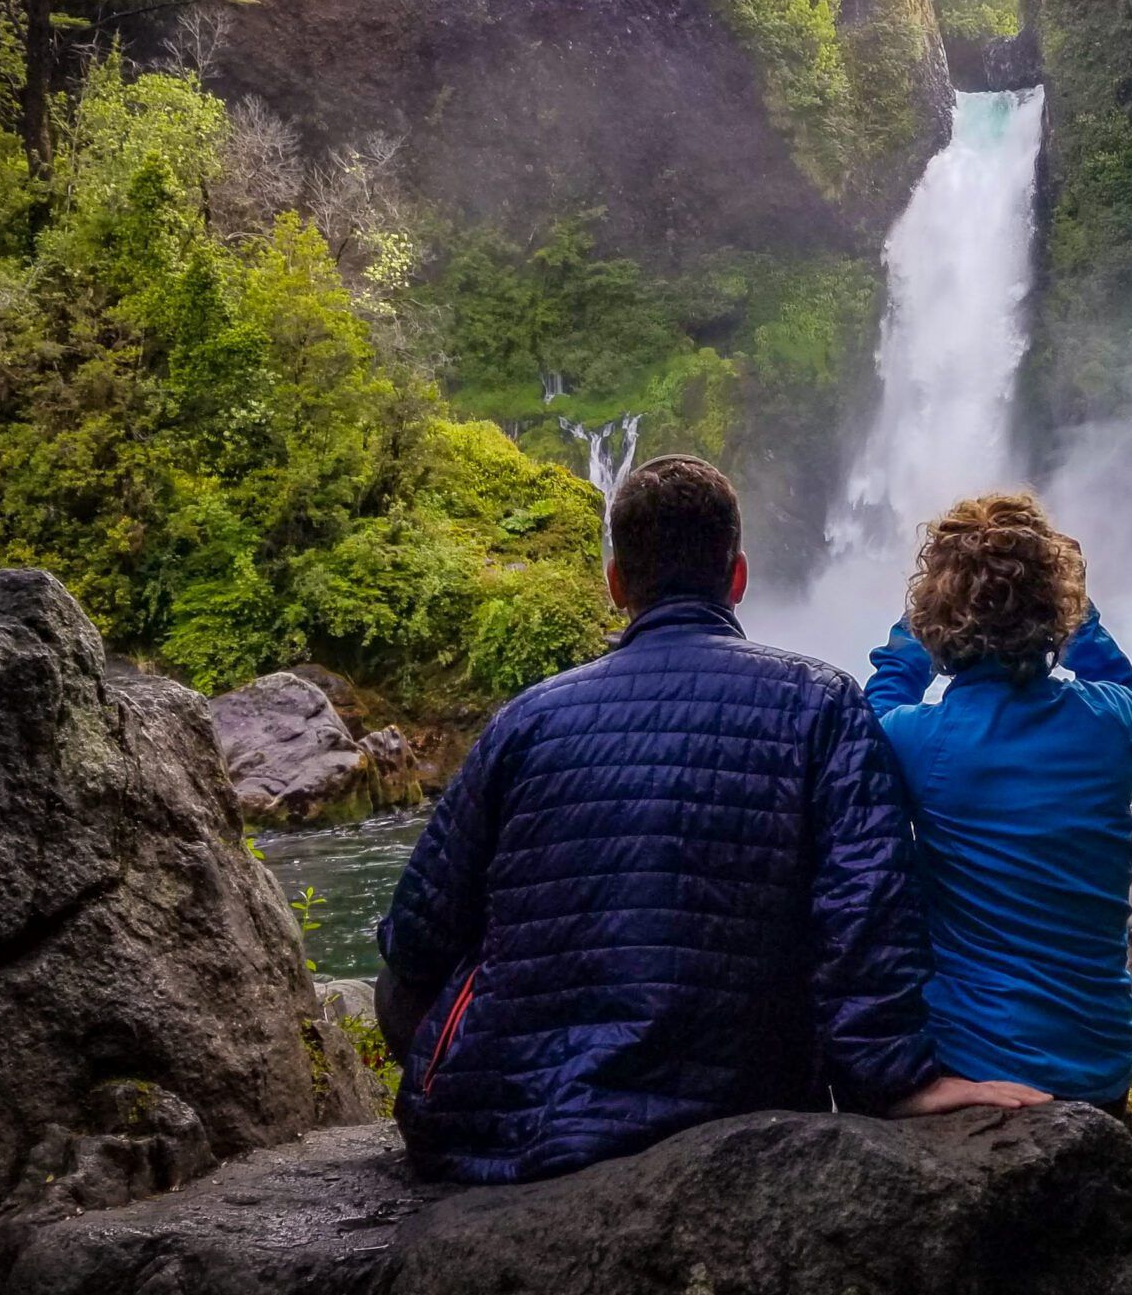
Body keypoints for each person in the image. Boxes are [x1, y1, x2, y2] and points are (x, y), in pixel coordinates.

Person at [375, 454, 1045, 1184]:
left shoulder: (524, 722)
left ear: (615, 585)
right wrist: (896, 1081)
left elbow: (415, 943)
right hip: (745, 1107)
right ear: (738, 577)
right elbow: (866, 914)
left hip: (520, 1129)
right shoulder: (821, 704)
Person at [864, 492, 1132, 1110]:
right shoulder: (1112, 725)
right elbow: (1130, 699)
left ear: (935, 617)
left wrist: (910, 638)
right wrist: (1081, 615)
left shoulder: (916, 741)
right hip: (1101, 1066)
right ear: (1058, 607)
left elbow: (863, 731)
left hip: (971, 1062)